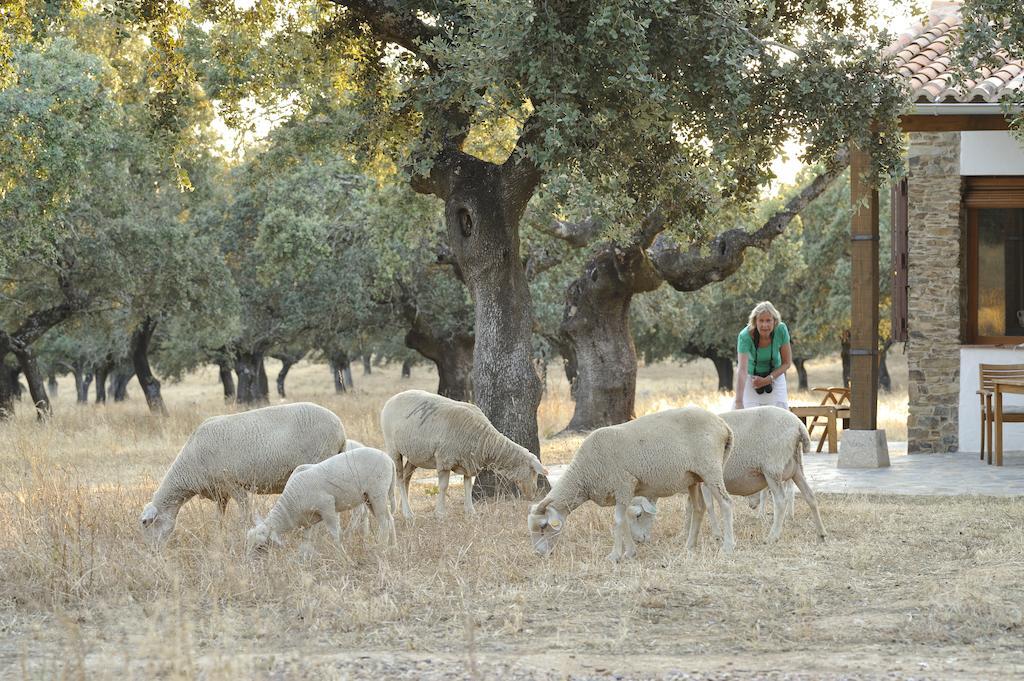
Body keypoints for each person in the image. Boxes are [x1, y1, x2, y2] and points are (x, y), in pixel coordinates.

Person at [733, 301, 792, 410]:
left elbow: (787, 363)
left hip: (775, 375)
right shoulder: (744, 336)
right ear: (755, 321)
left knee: (779, 413)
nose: (765, 325)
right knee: (748, 414)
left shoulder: (781, 330)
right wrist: (738, 401)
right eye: (761, 320)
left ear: (775, 321)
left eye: (768, 320)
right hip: (751, 378)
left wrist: (767, 380)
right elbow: (742, 370)